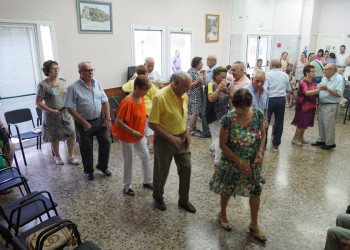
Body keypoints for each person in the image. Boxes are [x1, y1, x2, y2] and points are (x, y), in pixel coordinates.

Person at [209, 88, 267, 242]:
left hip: (252, 161)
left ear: (251, 104)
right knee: (227, 187)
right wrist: (239, 162)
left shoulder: (258, 115)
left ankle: (254, 224)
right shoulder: (228, 119)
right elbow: (222, 145)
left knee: (255, 190)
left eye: (244, 108)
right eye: (237, 108)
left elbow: (263, 134)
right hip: (232, 161)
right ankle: (222, 214)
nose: (240, 111)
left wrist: (260, 151)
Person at [149, 72, 196, 213]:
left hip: (181, 138)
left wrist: (186, 131)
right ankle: (158, 198)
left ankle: (184, 200)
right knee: (161, 171)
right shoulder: (160, 97)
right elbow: (152, 123)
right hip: (164, 141)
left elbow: (182, 117)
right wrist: (170, 137)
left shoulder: (184, 95)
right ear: (175, 83)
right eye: (185, 86)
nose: (188, 89)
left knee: (186, 169)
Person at [64, 62, 112, 180]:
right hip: (83, 122)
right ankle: (89, 171)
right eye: (87, 70)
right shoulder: (73, 88)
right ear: (80, 72)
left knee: (106, 142)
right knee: (86, 148)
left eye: (91, 70)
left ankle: (102, 166)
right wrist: (84, 122)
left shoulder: (97, 83)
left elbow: (105, 101)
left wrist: (108, 118)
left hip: (99, 120)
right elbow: (69, 108)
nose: (90, 73)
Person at [112, 75, 153, 196]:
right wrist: (133, 132)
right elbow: (118, 121)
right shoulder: (127, 102)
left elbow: (140, 110)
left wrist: (147, 115)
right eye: (144, 89)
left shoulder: (141, 98)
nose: (146, 93)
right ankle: (126, 186)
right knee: (128, 160)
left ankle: (147, 181)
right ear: (136, 87)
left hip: (138, 133)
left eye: (147, 90)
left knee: (145, 155)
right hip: (127, 135)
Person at [36, 60, 79, 165]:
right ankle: (57, 156)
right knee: (54, 137)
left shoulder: (63, 81)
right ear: (47, 71)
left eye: (57, 68)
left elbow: (68, 96)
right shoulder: (43, 85)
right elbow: (38, 102)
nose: (56, 70)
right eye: (53, 68)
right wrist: (51, 110)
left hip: (65, 113)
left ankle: (71, 156)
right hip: (51, 115)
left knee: (72, 134)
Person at [122, 65, 158, 151]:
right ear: (146, 73)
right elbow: (155, 95)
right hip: (147, 107)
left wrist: (130, 81)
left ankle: (136, 142)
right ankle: (151, 144)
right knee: (149, 126)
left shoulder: (133, 81)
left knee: (136, 126)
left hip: (135, 108)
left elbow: (124, 87)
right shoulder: (148, 83)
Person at [311, 63, 345, 150]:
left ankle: (330, 143)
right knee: (321, 123)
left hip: (331, 105)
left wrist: (327, 89)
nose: (323, 71)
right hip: (322, 104)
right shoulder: (325, 78)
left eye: (325, 70)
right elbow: (319, 87)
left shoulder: (339, 79)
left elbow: (338, 94)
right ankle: (321, 139)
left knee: (328, 125)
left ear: (332, 71)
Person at [245, 69, 269, 184]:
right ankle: (246, 173)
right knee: (248, 151)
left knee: (260, 150)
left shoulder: (266, 92)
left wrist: (265, 119)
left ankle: (257, 174)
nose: (259, 84)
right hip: (248, 127)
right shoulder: (245, 91)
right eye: (257, 81)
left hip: (261, 127)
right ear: (252, 79)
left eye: (262, 82)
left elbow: (265, 109)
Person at [206, 66, 230, 167]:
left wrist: (226, 91)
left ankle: (213, 148)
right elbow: (211, 98)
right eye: (221, 77)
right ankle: (218, 160)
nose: (224, 79)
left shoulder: (226, 85)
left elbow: (229, 98)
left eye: (225, 77)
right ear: (216, 76)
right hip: (213, 114)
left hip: (223, 114)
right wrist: (219, 90)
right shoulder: (211, 85)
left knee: (218, 135)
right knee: (218, 137)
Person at [265, 58, 292, 149]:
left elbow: (265, 89)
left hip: (270, 100)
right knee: (279, 122)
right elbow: (289, 89)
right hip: (281, 100)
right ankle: (276, 142)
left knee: (266, 121)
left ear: (271, 65)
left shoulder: (267, 75)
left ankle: (263, 144)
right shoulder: (284, 75)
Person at [291, 65, 318, 146]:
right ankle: (295, 138)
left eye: (314, 71)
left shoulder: (312, 82)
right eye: (312, 71)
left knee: (305, 122)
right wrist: (318, 89)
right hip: (303, 106)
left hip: (310, 105)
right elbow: (307, 92)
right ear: (307, 73)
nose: (314, 73)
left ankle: (301, 137)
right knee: (301, 122)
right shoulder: (303, 82)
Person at [199, 55, 218, 139]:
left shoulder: (215, 71)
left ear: (214, 62)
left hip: (211, 92)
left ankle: (207, 132)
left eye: (209, 60)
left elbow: (211, 84)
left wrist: (203, 81)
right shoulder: (208, 70)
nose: (207, 61)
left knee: (204, 112)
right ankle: (207, 130)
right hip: (207, 91)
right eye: (207, 59)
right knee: (205, 111)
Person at [187, 57, 205, 135]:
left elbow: (203, 82)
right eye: (201, 63)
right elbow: (189, 85)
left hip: (199, 94)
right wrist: (198, 81)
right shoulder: (190, 72)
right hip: (193, 95)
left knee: (197, 111)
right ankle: (190, 128)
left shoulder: (200, 72)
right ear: (197, 64)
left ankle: (194, 127)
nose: (202, 64)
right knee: (194, 112)